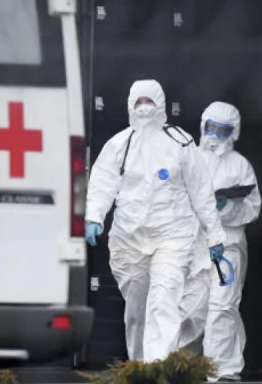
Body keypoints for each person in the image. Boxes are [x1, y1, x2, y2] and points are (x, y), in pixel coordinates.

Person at [84, 79, 226, 363]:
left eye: (149, 101)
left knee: (163, 302)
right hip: (129, 241)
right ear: (129, 105)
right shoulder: (119, 145)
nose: (144, 108)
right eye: (138, 102)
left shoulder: (181, 143)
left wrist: (214, 234)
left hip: (172, 239)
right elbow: (102, 183)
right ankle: (139, 367)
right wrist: (95, 215)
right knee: (137, 312)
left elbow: (201, 192)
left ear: (160, 104)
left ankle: (156, 369)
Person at [177, 101, 262, 382]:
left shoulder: (240, 166)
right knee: (190, 308)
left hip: (227, 248)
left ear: (233, 132)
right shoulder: (189, 159)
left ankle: (222, 371)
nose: (215, 135)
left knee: (222, 307)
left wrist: (225, 207)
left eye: (222, 130)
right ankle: (179, 365)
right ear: (203, 126)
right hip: (195, 247)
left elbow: (253, 208)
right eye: (211, 128)